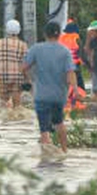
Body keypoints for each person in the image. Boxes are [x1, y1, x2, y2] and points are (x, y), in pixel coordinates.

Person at [22, 22, 77, 152]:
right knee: (59, 123)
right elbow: (70, 73)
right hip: (59, 96)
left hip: (41, 96)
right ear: (59, 35)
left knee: (44, 129)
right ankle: (64, 151)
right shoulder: (65, 51)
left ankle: (47, 158)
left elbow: (24, 67)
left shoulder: (36, 49)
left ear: (45, 34)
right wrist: (75, 90)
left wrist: (29, 80)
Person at [0, 19, 29, 110]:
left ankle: (5, 117)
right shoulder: (23, 45)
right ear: (19, 30)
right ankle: (16, 117)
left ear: (7, 30)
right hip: (17, 76)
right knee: (17, 106)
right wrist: (28, 79)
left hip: (2, 76)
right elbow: (24, 64)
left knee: (4, 102)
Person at [58, 20, 85, 91]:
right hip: (74, 63)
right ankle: (81, 93)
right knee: (78, 80)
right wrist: (83, 61)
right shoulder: (76, 38)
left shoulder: (61, 38)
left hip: (63, 64)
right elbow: (80, 51)